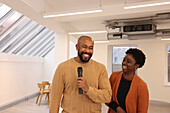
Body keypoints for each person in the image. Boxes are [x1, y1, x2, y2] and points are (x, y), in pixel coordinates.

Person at [49, 36, 112, 113]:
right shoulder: (62, 67)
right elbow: (55, 98)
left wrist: (88, 89)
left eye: (91, 48)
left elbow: (107, 96)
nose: (87, 51)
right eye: (84, 47)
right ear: (77, 47)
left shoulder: (100, 68)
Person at [107, 48, 149, 113]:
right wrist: (117, 108)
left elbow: (142, 111)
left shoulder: (141, 86)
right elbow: (106, 96)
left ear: (136, 66)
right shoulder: (114, 76)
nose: (124, 63)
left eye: (128, 62)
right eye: (124, 60)